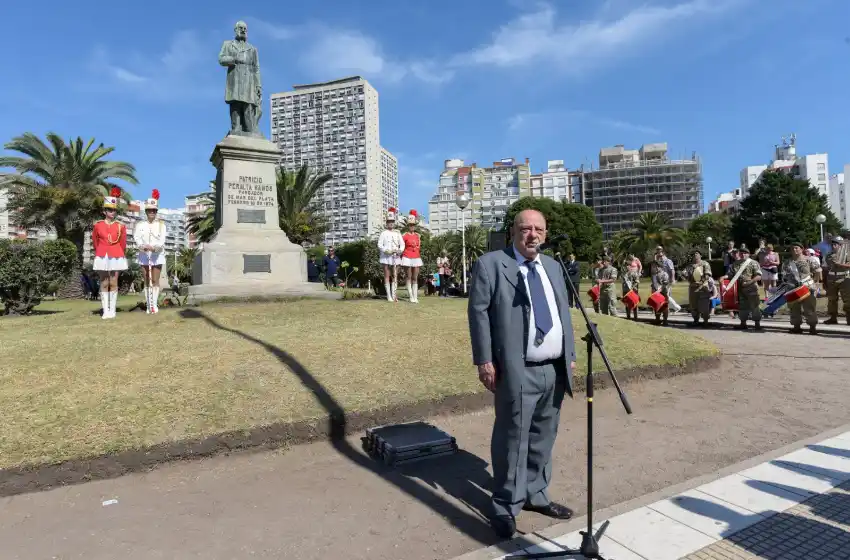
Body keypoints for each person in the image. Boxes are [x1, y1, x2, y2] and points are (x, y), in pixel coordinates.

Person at [467, 209, 577, 540]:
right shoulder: (492, 264)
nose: (532, 234)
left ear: (545, 233)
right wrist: (484, 360)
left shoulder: (555, 267)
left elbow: (563, 312)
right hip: (517, 369)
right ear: (513, 232)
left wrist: (568, 354)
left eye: (538, 229)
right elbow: (479, 313)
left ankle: (536, 494)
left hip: (554, 368)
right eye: (525, 228)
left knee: (544, 435)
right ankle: (505, 505)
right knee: (512, 438)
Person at [91, 188, 128, 319]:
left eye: (114, 210)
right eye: (109, 210)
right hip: (102, 254)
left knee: (113, 281)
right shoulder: (97, 225)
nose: (112, 212)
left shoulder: (121, 226)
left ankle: (112, 310)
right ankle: (105, 310)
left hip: (116, 255)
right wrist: (100, 251)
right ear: (104, 211)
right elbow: (95, 241)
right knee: (104, 282)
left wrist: (120, 254)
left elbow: (123, 243)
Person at [133, 189, 166, 314]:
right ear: (146, 211)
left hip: (157, 255)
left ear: (156, 211)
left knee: (155, 281)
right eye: (149, 210)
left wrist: (155, 247)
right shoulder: (140, 224)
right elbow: (136, 237)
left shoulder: (162, 225)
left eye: (154, 210)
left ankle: (154, 305)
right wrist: (142, 246)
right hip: (144, 255)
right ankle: (148, 305)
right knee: (147, 280)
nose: (152, 212)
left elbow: (162, 240)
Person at [787, 241, 819, 334]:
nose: (794, 250)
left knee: (809, 308)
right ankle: (796, 327)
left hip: (807, 287)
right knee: (794, 308)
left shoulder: (809, 260)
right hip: (793, 288)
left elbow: (817, 271)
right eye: (792, 248)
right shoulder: (788, 262)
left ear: (802, 249)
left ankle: (812, 327)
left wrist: (816, 283)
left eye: (796, 248)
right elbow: (785, 275)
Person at [730, 246, 763, 330]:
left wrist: (749, 283)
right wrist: (723, 277)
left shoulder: (753, 263)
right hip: (740, 288)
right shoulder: (735, 264)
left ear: (748, 254)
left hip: (751, 288)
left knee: (754, 306)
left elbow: (758, 276)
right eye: (741, 253)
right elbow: (730, 275)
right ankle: (743, 323)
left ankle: (757, 324)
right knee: (742, 306)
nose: (743, 254)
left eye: (745, 253)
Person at [377, 208, 404, 302]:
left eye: (392, 221)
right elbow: (379, 244)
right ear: (386, 223)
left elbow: (402, 244)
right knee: (386, 275)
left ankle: (394, 295)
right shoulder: (383, 233)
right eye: (389, 221)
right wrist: (385, 250)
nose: (391, 223)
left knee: (395, 276)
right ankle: (388, 295)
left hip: (396, 256)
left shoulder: (398, 233)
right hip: (386, 257)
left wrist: (400, 250)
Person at [824, 235, 850, 325]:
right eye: (833, 244)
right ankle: (833, 318)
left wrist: (841, 265)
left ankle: (849, 318)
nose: (834, 246)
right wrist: (824, 281)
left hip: (844, 278)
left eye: (836, 244)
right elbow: (825, 268)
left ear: (840, 245)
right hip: (831, 278)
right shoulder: (828, 255)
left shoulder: (847, 253)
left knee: (847, 299)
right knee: (832, 299)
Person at [401, 210, 423, 303]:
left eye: (413, 225)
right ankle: (411, 296)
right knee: (408, 277)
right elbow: (401, 246)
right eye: (410, 225)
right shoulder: (404, 235)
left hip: (416, 258)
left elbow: (419, 247)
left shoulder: (418, 235)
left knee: (415, 277)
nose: (412, 227)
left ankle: (415, 297)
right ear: (408, 226)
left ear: (415, 226)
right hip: (407, 257)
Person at [686, 250, 713, 326]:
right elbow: (685, 274)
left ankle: (705, 321)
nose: (695, 256)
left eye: (697, 254)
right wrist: (686, 277)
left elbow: (707, 274)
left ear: (700, 255)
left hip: (703, 287)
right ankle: (695, 320)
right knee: (693, 305)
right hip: (693, 288)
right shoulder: (690, 266)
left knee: (704, 305)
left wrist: (702, 281)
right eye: (694, 255)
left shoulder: (705, 264)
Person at [650, 258, 670, 326]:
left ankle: (665, 320)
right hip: (655, 293)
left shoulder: (664, 274)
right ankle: (657, 319)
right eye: (652, 267)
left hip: (663, 293)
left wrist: (659, 290)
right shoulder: (653, 275)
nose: (653, 268)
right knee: (656, 306)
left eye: (654, 266)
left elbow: (665, 284)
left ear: (659, 267)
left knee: (664, 307)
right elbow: (653, 284)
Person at [622, 253, 641, 320]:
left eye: (628, 265)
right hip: (625, 290)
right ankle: (628, 316)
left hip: (633, 290)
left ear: (630, 266)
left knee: (634, 303)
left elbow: (637, 281)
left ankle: (636, 317)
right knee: (627, 304)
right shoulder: (624, 274)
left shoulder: (634, 273)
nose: (626, 267)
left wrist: (632, 287)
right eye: (625, 266)